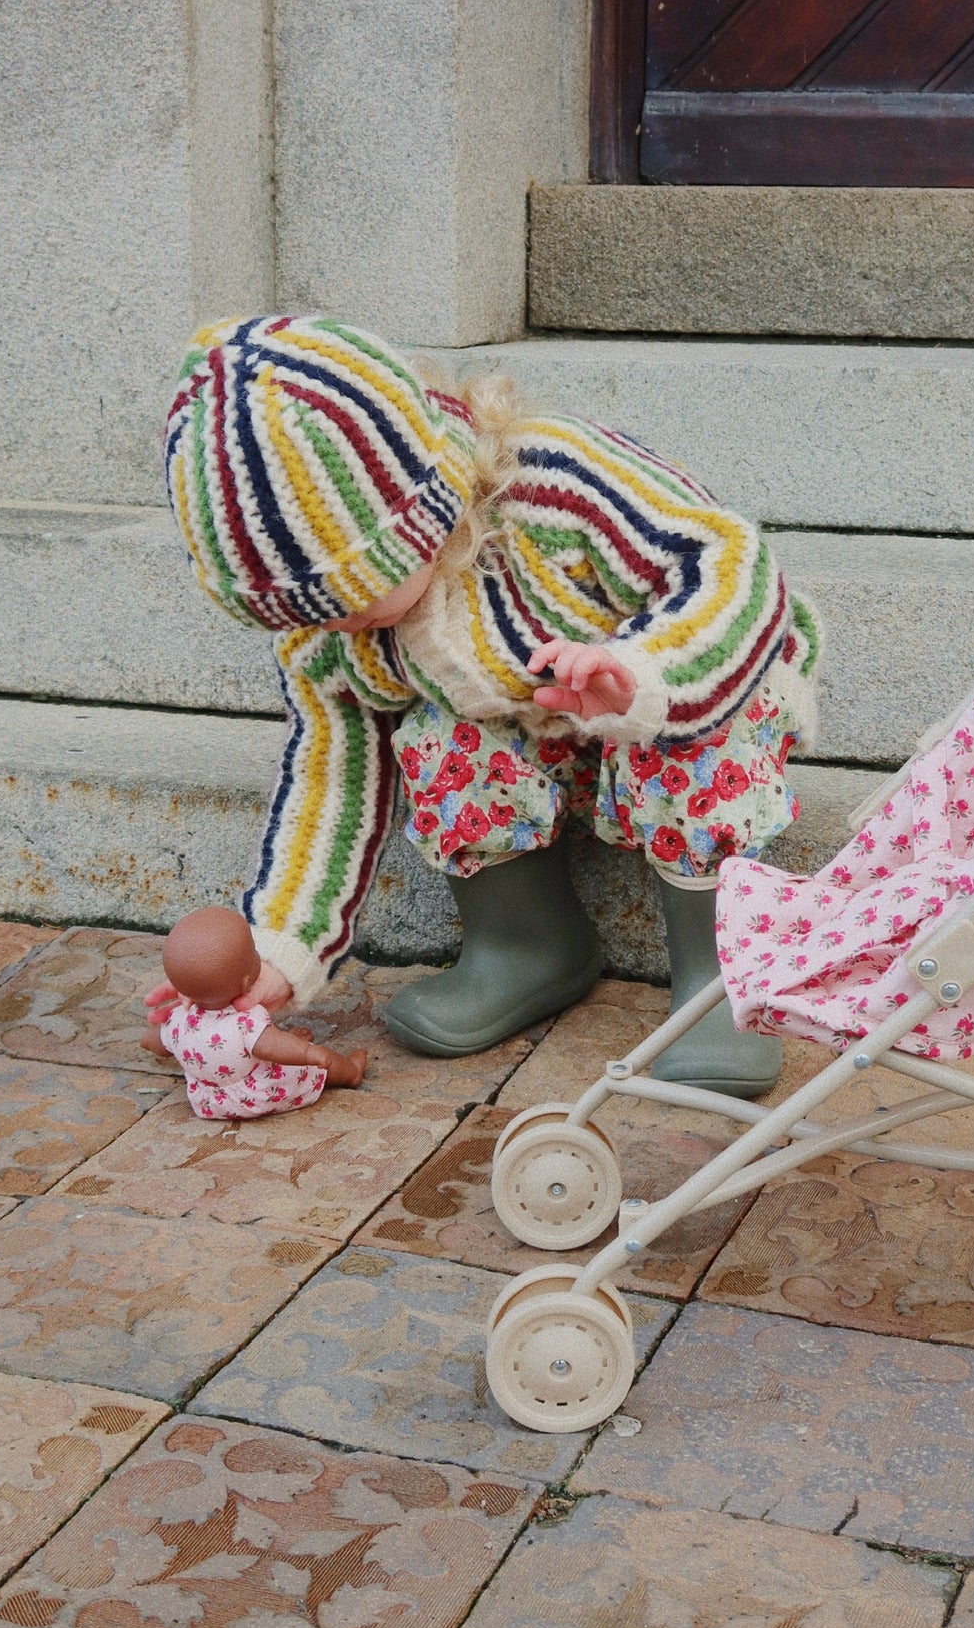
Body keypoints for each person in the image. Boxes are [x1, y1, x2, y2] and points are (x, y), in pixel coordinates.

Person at [147, 315, 822, 1099]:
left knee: (689, 737)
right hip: (548, 739)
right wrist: (280, 949)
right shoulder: (329, 637)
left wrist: (645, 674)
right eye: (299, 614)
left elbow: (726, 560)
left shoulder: (552, 484)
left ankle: (722, 975)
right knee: (438, 740)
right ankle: (526, 944)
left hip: (693, 693)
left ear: (419, 512)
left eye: (347, 598)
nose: (329, 626)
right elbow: (331, 778)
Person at [143, 904, 367, 1119]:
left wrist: (147, 1042)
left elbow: (156, 1043)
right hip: (256, 1096)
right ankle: (351, 1072)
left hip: (209, 1103)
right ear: (246, 981)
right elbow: (271, 1046)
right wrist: (309, 1053)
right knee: (313, 1065)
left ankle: (293, 1046)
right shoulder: (245, 1023)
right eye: (254, 950)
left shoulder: (178, 1020)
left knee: (268, 1047)